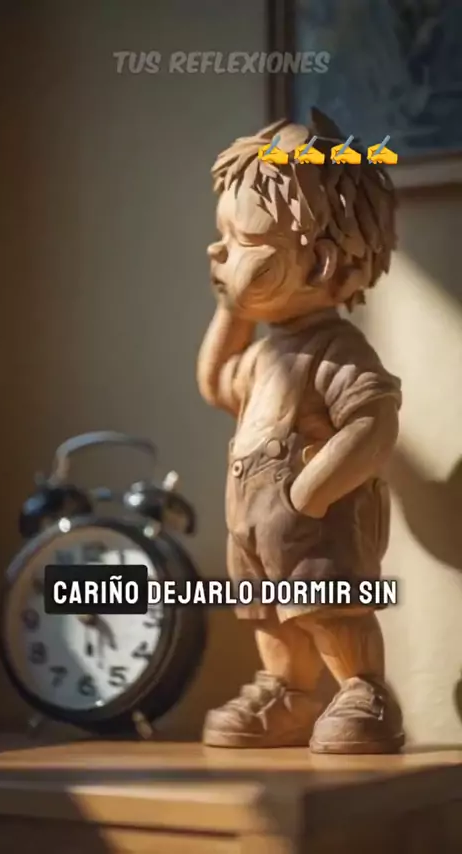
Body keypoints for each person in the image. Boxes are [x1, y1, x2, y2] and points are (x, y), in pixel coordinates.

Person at [196, 109, 404, 754]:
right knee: (269, 614)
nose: (217, 252)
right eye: (220, 236)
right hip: (252, 528)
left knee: (328, 608)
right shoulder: (265, 354)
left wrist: (310, 493)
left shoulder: (335, 350)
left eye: (241, 241)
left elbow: (374, 420)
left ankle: (364, 690)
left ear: (320, 263)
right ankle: (288, 692)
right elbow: (215, 383)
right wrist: (232, 310)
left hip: (311, 523)